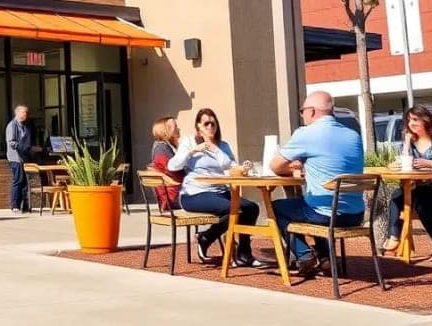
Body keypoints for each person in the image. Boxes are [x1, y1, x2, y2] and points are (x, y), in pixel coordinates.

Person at [269, 90, 365, 276]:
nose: (302, 114)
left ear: (312, 111)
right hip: (355, 214)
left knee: (278, 208)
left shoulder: (307, 133)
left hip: (327, 215)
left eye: (302, 110)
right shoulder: (353, 135)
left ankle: (304, 255)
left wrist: (293, 166)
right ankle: (325, 258)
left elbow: (275, 165)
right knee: (313, 201)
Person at [168, 107, 270, 268]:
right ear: (198, 127)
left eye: (213, 124)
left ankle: (244, 254)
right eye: (206, 124)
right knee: (234, 210)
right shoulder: (189, 142)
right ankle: (206, 238)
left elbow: (232, 167)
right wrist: (192, 151)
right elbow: (172, 166)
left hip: (221, 191)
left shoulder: (223, 146)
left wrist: (243, 168)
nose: (210, 127)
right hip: (195, 193)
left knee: (251, 208)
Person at [382, 106, 432, 261]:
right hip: (420, 188)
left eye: (415, 120)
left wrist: (428, 163)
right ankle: (393, 238)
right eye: (408, 120)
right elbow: (405, 164)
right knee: (397, 196)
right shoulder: (410, 143)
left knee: (422, 202)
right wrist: (406, 143)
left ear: (425, 120)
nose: (411, 124)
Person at [149, 115, 183, 211]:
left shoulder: (162, 147)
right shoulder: (162, 149)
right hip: (173, 198)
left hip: (174, 195)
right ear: (165, 131)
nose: (178, 129)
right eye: (175, 127)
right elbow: (174, 171)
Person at [5, 104, 33, 214]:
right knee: (18, 180)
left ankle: (24, 205)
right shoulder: (12, 125)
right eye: (23, 112)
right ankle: (14, 205)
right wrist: (24, 147)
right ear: (17, 113)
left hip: (25, 157)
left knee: (25, 182)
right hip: (15, 158)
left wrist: (31, 148)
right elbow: (12, 142)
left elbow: (28, 141)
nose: (25, 114)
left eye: (26, 112)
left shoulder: (25, 126)